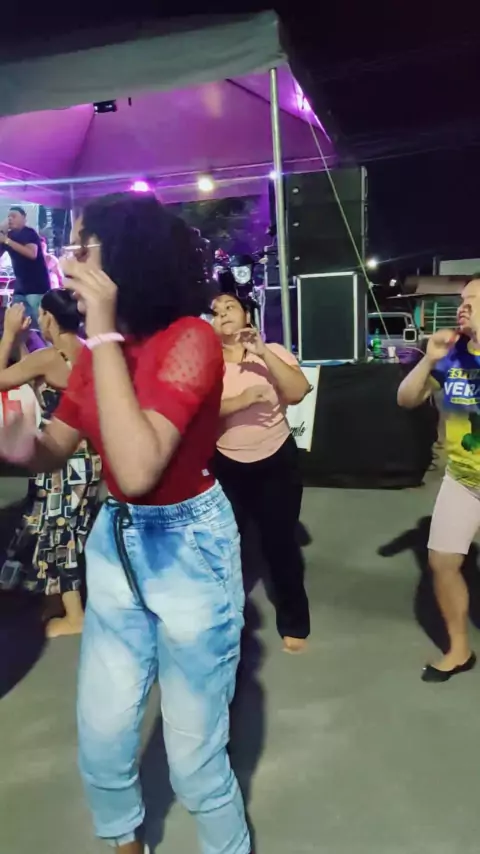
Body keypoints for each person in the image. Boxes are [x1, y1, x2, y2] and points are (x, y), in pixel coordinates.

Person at [0, 193, 250, 854]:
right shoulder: (94, 353)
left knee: (195, 760)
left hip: (190, 546)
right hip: (115, 542)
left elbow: (138, 468)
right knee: (104, 732)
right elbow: (53, 450)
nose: (68, 260)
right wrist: (15, 446)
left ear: (125, 254)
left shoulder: (190, 338)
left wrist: (104, 332)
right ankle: (123, 841)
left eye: (82, 244)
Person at [211, 292, 311, 653]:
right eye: (215, 312)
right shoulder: (207, 363)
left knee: (280, 544)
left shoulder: (273, 352)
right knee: (224, 548)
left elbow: (298, 392)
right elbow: (198, 411)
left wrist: (263, 352)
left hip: (276, 460)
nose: (223, 314)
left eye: (230, 308)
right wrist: (239, 401)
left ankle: (294, 621)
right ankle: (225, 623)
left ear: (247, 315)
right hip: (225, 463)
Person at [0, 293, 102, 637]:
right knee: (61, 526)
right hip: (88, 459)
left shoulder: (47, 358)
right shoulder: (89, 352)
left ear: (48, 318)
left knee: (60, 533)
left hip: (59, 457)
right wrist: (24, 343)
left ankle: (76, 617)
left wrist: (8, 334)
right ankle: (55, 600)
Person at [397, 273, 480, 682]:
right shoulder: (451, 353)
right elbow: (406, 399)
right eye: (463, 299)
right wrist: (429, 359)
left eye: (474, 299)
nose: (464, 306)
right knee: (442, 562)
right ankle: (459, 650)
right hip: (463, 478)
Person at [0, 207, 50, 326]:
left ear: (24, 218)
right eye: (8, 216)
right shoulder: (9, 236)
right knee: (18, 323)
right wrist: (1, 231)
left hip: (36, 287)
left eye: (14, 216)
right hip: (20, 288)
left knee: (40, 323)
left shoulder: (29, 233)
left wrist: (7, 241)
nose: (10, 219)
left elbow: (32, 254)